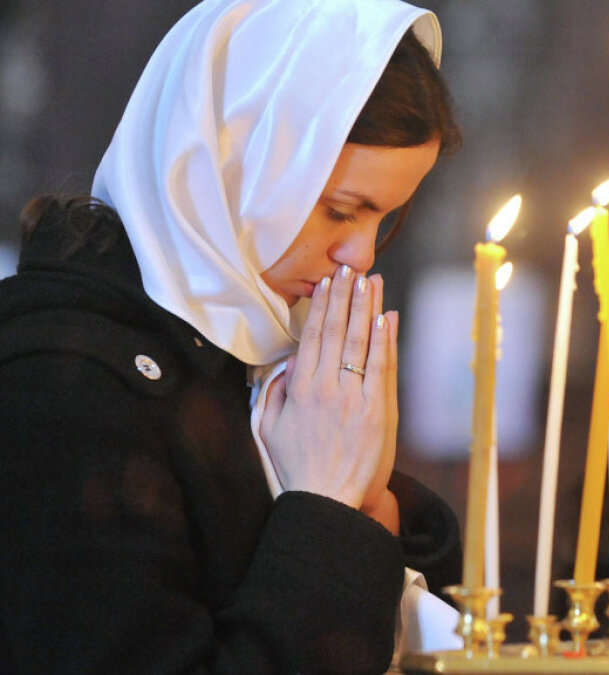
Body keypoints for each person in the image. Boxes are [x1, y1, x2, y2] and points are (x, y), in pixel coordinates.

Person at [0, 1, 462, 672]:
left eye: (385, 217)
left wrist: (372, 503)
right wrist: (328, 513)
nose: (360, 255)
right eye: (340, 210)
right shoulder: (56, 382)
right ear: (232, 162)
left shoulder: (251, 350)